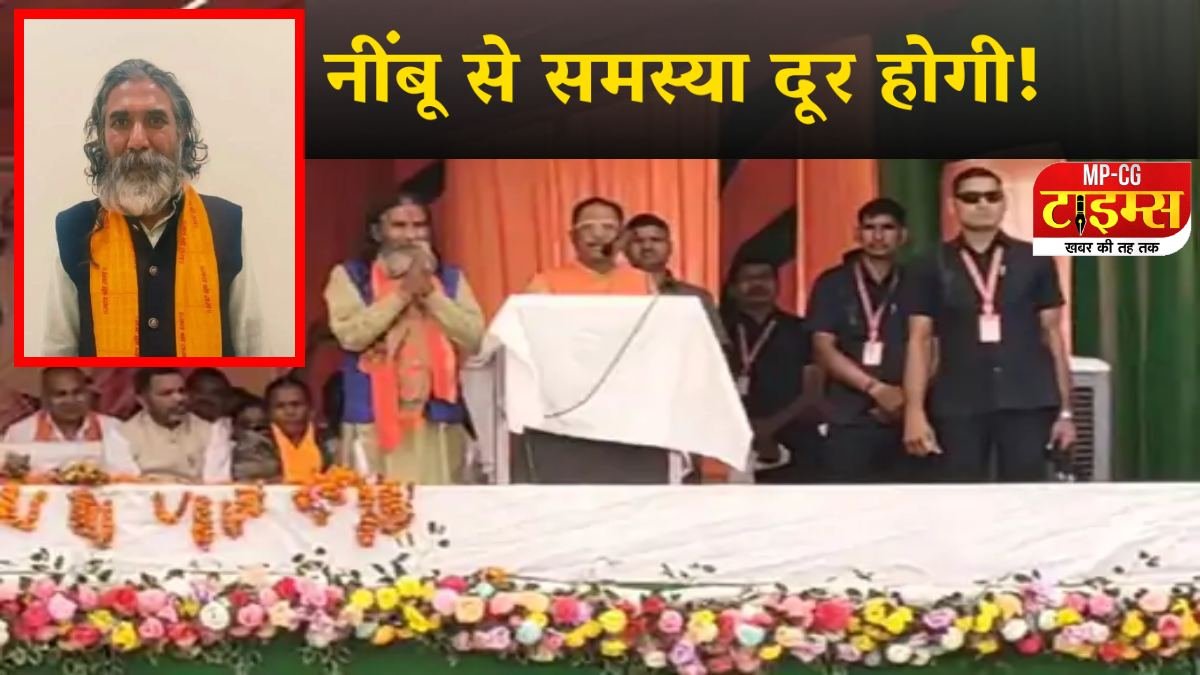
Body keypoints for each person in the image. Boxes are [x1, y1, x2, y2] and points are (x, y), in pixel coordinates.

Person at [45, 59, 262, 357]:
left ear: (181, 132)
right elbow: (57, 351)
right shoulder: (74, 228)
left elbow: (253, 344)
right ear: (102, 136)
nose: (138, 141)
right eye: (121, 122)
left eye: (155, 120)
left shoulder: (225, 223)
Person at [902, 167, 1077, 482]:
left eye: (992, 196)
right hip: (958, 401)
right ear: (953, 205)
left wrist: (1065, 412)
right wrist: (914, 411)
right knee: (961, 496)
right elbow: (919, 339)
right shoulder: (928, 264)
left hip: (1028, 399)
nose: (982, 204)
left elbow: (1053, 335)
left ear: (1004, 203)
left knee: (1026, 495)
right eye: (971, 197)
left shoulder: (1034, 259)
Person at [323, 192, 484, 483]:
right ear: (377, 232)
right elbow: (351, 336)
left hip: (436, 420)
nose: (411, 236)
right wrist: (402, 294)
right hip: (373, 420)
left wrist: (430, 294)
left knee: (439, 505)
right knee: (376, 505)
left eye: (419, 226)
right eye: (399, 226)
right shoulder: (350, 277)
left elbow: (473, 336)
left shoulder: (450, 279)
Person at [807, 198, 910, 482]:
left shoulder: (916, 280)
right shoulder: (832, 282)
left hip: (907, 413)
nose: (878, 236)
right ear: (856, 234)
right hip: (848, 414)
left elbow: (932, 344)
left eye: (887, 228)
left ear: (903, 235)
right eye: (869, 228)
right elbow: (823, 348)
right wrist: (876, 389)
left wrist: (906, 397)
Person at [722, 257, 826, 483]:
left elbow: (813, 391)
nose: (757, 284)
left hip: (794, 435)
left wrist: (769, 427)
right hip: (730, 437)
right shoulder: (720, 330)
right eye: (748, 279)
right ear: (732, 289)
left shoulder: (801, 329)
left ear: (778, 285)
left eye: (765, 277)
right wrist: (747, 429)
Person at [2, 368, 141, 475]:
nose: (70, 401)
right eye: (60, 394)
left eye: (77, 392)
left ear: (88, 394)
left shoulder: (113, 428)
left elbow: (128, 477)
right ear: (45, 399)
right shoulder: (20, 432)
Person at [623, 212, 729, 348]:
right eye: (638, 241)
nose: (647, 247)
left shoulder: (695, 297)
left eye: (655, 240)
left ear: (670, 247)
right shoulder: (613, 295)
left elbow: (717, 347)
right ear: (625, 249)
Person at [121, 368, 232, 483]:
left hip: (197, 493)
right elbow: (124, 485)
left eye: (182, 391)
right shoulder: (123, 435)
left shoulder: (211, 432)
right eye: (166, 393)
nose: (179, 398)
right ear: (143, 400)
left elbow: (216, 483)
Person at [525, 197, 653, 294]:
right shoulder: (545, 284)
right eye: (587, 227)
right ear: (573, 237)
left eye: (608, 227)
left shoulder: (644, 283)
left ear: (621, 236)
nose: (598, 234)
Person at [264, 377, 324, 484]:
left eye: (296, 405)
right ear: (268, 413)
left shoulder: (327, 442)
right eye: (280, 406)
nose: (289, 412)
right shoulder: (256, 443)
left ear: (311, 410)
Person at [229, 396, 282, 483]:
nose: (252, 432)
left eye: (261, 426)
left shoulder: (282, 452)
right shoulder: (222, 454)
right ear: (233, 428)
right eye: (245, 424)